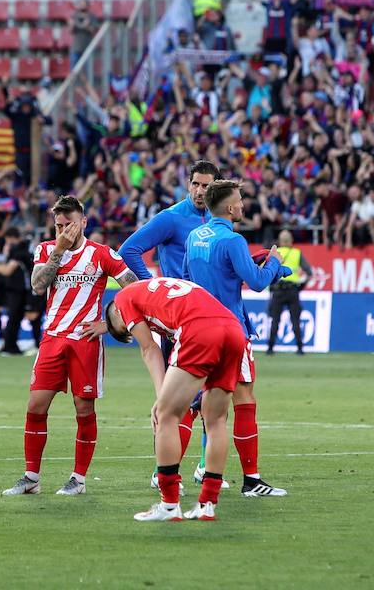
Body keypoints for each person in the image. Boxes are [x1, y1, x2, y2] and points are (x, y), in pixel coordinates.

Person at [1, 196, 138, 498]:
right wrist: (59, 251)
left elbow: (135, 288)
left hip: (85, 342)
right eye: (58, 225)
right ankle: (31, 476)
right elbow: (38, 285)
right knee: (35, 406)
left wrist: (109, 324)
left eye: (69, 224)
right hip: (52, 339)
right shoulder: (47, 250)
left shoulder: (102, 254)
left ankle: (78, 478)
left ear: (83, 222)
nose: (63, 230)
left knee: (84, 408)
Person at [105, 278, 244, 521]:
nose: (132, 330)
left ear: (116, 312)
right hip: (233, 329)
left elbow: (149, 349)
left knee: (166, 415)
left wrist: (161, 398)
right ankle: (207, 505)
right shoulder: (158, 288)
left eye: (126, 327)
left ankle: (169, 506)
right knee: (216, 420)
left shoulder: (122, 299)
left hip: (199, 329)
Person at [185, 179, 290, 497]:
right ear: (229, 207)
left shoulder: (194, 237)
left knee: (206, 407)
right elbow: (257, 283)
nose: (243, 205)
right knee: (245, 401)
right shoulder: (232, 240)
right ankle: (252, 480)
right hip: (230, 332)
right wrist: (274, 263)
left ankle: (193, 472)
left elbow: (194, 278)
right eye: (240, 200)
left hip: (199, 331)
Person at [119, 159, 218, 491]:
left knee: (214, 395)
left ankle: (206, 467)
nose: (201, 191)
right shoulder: (172, 218)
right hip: (178, 319)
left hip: (211, 315)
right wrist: (153, 288)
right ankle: (166, 469)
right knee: (184, 399)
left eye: (207, 185)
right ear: (188, 184)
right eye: (197, 184)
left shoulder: (219, 220)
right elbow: (128, 250)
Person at [266, 229, 312, 355]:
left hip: (278, 290)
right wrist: (301, 286)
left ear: (280, 241)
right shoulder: (297, 253)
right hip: (293, 290)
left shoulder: (276, 253)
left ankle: (270, 348)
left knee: (275, 320)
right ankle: (300, 348)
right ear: (291, 241)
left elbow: (267, 271)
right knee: (295, 320)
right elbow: (309, 272)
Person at [0, 228, 27, 356]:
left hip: (16, 290)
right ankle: (10, 346)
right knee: (15, 318)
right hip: (18, 290)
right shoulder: (23, 249)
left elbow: (7, 271)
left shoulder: (18, 251)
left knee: (13, 318)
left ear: (11, 238)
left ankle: (9, 346)